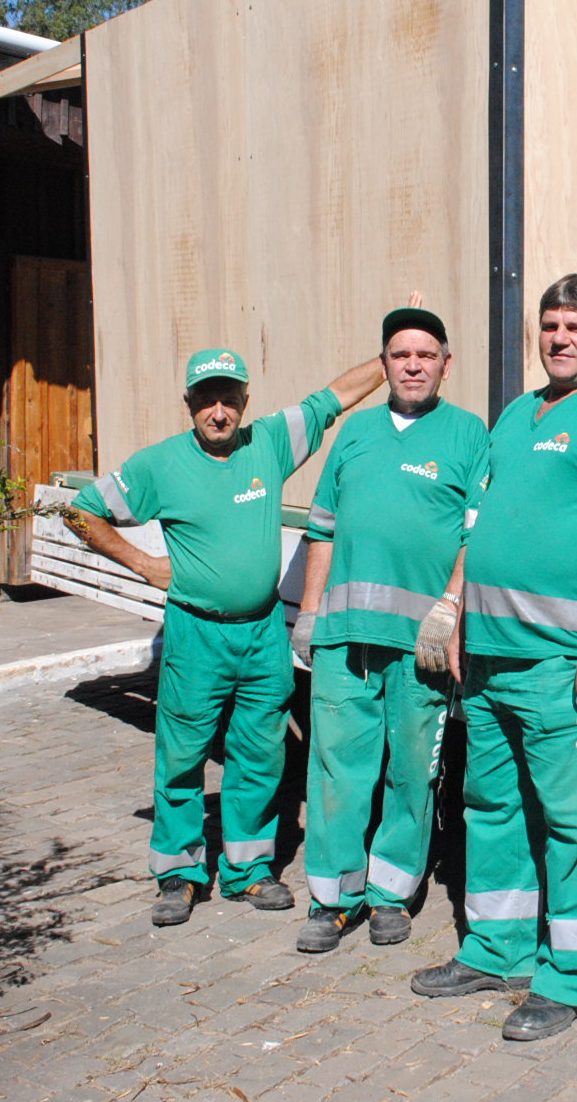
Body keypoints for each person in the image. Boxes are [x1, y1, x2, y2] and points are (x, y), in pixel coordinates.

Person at [410, 274, 577, 1042]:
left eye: (576, 328)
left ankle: (568, 978)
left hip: (565, 665)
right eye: (550, 326)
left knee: (574, 822)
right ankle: (497, 949)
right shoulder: (518, 414)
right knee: (490, 810)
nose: (559, 339)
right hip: (489, 660)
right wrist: (455, 609)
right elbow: (479, 523)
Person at [67, 346, 383, 927]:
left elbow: (330, 400)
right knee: (182, 759)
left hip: (263, 634)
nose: (219, 410)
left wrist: (394, 351)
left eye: (229, 397)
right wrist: (143, 563)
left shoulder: (268, 442)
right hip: (196, 636)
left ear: (244, 400)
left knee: (260, 755)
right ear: (189, 403)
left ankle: (247, 871)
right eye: (207, 398)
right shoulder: (159, 466)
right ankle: (178, 876)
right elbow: (81, 512)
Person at [290, 306, 489, 953]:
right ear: (383, 366)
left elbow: (476, 534)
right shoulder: (353, 434)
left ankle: (390, 896)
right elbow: (321, 529)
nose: (413, 364)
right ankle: (332, 899)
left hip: (419, 646)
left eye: (425, 354)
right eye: (401, 355)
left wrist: (450, 608)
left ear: (445, 365)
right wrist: (311, 614)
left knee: (411, 773)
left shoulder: (467, 435)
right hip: (345, 637)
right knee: (337, 771)